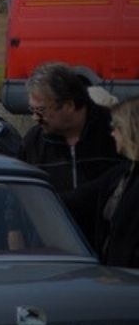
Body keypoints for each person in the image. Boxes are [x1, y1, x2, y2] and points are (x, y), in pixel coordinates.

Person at [19, 63, 122, 198]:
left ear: (68, 106)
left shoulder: (116, 133)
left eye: (40, 110)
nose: (34, 118)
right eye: (32, 110)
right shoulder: (33, 143)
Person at [67, 98, 139, 268]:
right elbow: (76, 200)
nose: (112, 133)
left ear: (130, 130)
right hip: (116, 278)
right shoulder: (121, 174)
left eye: (116, 127)